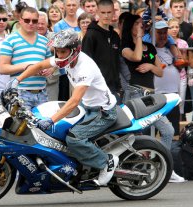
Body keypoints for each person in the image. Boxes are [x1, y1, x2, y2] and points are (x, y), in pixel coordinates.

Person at [9, 29, 119, 186]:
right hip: (87, 105)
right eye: (57, 51)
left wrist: (51, 120)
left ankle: (106, 162)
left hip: (103, 111)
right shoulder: (65, 59)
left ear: (75, 51)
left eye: (62, 51)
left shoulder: (85, 67)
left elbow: (73, 101)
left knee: (74, 139)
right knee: (58, 132)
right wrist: (17, 80)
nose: (59, 55)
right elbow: (39, 65)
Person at [120, 14, 184, 183]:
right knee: (136, 136)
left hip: (150, 95)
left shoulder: (150, 46)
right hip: (134, 94)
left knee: (168, 130)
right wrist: (139, 38)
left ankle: (163, 166)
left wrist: (149, 66)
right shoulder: (125, 46)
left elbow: (160, 71)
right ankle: (135, 172)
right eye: (137, 24)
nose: (141, 26)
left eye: (142, 24)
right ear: (130, 26)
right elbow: (135, 57)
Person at [0, 7, 53, 110]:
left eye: (34, 21)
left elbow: (50, 63)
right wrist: (26, 67)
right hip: (20, 93)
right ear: (20, 20)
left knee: (42, 125)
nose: (31, 23)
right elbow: (2, 68)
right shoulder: (10, 40)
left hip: (42, 93)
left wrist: (49, 69)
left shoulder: (44, 40)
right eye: (27, 20)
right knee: (21, 126)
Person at [82, 0, 121, 102]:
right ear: (97, 12)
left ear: (113, 12)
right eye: (103, 12)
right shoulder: (91, 35)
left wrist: (118, 86)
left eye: (109, 12)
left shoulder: (115, 36)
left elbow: (117, 63)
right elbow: (85, 64)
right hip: (96, 90)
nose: (106, 16)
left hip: (114, 89)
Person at [154, 21, 181, 136]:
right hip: (157, 95)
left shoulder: (171, 48)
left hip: (173, 95)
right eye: (159, 33)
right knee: (154, 129)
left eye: (165, 33)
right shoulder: (150, 50)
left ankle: (174, 152)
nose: (163, 36)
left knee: (174, 130)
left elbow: (180, 60)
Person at [54, 0, 81, 101]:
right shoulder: (59, 25)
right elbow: (60, 46)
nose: (71, 7)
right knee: (65, 101)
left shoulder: (82, 22)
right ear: (64, 7)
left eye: (73, 5)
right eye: (68, 5)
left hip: (81, 69)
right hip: (66, 71)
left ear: (78, 6)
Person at [168, 18, 188, 120]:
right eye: (171, 27)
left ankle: (179, 128)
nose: (174, 29)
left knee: (181, 103)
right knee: (170, 104)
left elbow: (184, 61)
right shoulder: (161, 43)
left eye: (176, 27)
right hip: (167, 78)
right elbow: (152, 56)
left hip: (181, 76)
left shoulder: (183, 43)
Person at [37, 11, 60, 101]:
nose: (40, 26)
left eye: (42, 23)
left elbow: (63, 56)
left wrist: (53, 68)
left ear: (47, 24)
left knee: (51, 108)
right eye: (38, 23)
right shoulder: (30, 37)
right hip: (34, 81)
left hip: (51, 81)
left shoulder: (55, 36)